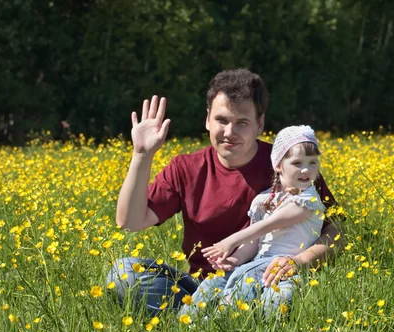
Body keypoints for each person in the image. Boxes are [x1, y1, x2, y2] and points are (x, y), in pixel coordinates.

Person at [108, 69, 342, 315]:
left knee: (280, 301)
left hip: (266, 281)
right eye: (222, 120)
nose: (229, 133)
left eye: (242, 123)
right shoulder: (186, 168)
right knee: (124, 274)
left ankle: (199, 322)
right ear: (207, 119)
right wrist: (142, 154)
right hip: (203, 285)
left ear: (259, 124)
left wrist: (297, 263)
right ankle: (206, 317)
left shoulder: (291, 165)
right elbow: (129, 222)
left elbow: (337, 230)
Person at [180, 125, 326, 315]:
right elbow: (253, 243)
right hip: (256, 263)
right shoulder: (263, 200)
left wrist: (230, 241)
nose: (306, 169)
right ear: (279, 165)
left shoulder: (308, 200)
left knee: (254, 286)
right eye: (297, 163)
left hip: (285, 267)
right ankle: (185, 322)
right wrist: (232, 260)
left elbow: (271, 224)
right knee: (213, 281)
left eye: (313, 162)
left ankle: (222, 321)